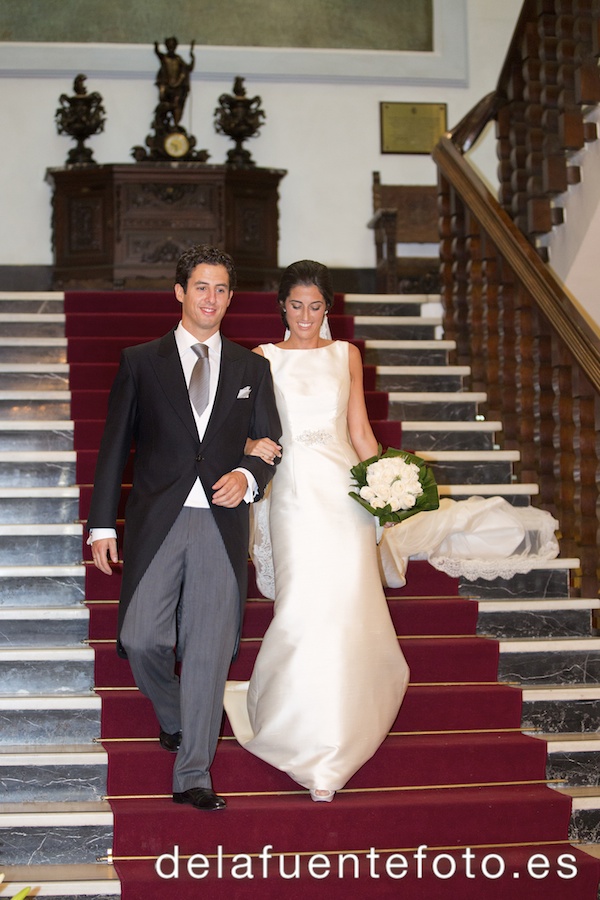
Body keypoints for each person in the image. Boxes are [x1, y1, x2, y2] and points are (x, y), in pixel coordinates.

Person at [87, 245, 282, 811]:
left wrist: (247, 475)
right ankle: (174, 713)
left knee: (209, 650)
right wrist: (103, 524)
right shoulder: (140, 361)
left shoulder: (252, 367)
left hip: (221, 525)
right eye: (201, 287)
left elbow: (268, 445)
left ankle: (192, 772)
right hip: (158, 521)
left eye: (221, 289)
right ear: (180, 292)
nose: (211, 299)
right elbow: (113, 449)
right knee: (141, 636)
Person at [224, 260, 410, 802]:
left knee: (350, 599)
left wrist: (386, 485)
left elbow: (359, 431)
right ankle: (296, 721)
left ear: (329, 309)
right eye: (297, 305)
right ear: (282, 305)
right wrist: (250, 454)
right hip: (292, 494)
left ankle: (346, 716)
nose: (306, 316)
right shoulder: (263, 358)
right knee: (303, 602)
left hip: (342, 491)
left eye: (316, 306)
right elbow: (244, 432)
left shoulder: (345, 354)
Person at [154, 36, 195, 126]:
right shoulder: (164, 58)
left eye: (173, 46)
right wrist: (156, 46)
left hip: (177, 87)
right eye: (169, 46)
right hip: (167, 87)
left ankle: (176, 124)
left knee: (177, 106)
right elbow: (157, 53)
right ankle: (162, 123)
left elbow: (188, 68)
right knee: (165, 104)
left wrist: (192, 56)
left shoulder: (178, 59)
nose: (171, 48)